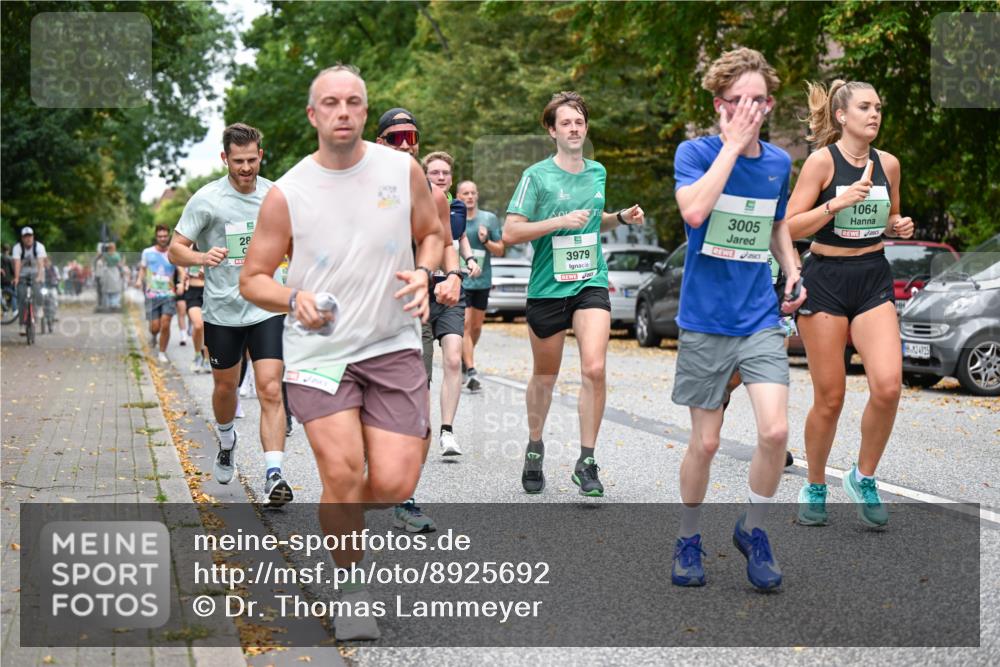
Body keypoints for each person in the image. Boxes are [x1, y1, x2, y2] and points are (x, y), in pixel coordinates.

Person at [239, 64, 443, 641]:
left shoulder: (401, 170)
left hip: (391, 342)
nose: (344, 111)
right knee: (343, 471)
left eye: (354, 101)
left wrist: (424, 272)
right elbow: (252, 278)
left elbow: (431, 233)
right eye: (331, 103)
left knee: (397, 484)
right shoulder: (288, 193)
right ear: (313, 114)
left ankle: (340, 508)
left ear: (365, 110)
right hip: (319, 351)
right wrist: (293, 298)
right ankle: (351, 590)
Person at [669, 48, 806, 591]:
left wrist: (791, 269)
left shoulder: (778, 162)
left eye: (759, 101)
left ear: (769, 105)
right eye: (737, 101)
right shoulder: (695, 153)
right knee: (705, 444)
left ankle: (754, 528)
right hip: (705, 320)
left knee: (775, 431)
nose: (749, 110)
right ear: (719, 104)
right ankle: (688, 538)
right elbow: (694, 211)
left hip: (758, 317)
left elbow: (776, 223)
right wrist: (730, 147)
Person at [784, 80, 914, 528]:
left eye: (878, 107)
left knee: (888, 386)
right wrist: (836, 204)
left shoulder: (889, 164)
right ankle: (815, 485)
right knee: (831, 398)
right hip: (826, 280)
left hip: (873, 276)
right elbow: (789, 227)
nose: (874, 114)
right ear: (842, 116)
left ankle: (864, 476)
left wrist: (898, 226)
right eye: (864, 107)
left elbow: (890, 217)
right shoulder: (822, 162)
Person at [502, 91, 645, 497]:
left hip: (589, 282)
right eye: (565, 123)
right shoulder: (536, 176)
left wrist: (620, 217)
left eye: (579, 122)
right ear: (552, 131)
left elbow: (593, 221)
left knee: (594, 369)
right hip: (548, 288)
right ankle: (535, 445)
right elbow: (511, 232)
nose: (574, 128)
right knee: (544, 376)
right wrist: (558, 221)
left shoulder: (597, 172)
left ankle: (586, 461)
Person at [169, 123, 293, 507]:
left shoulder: (275, 196)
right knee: (226, 389)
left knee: (270, 387)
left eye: (252, 160)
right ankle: (226, 440)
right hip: (222, 310)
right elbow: (175, 249)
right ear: (225, 158)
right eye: (238, 161)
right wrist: (201, 256)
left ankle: (274, 474)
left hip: (266, 306)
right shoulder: (207, 200)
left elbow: (294, 241)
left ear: (261, 155)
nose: (246, 168)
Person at [374, 111, 476, 533]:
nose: (404, 143)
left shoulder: (432, 195)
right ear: (380, 142)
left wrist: (452, 275)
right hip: (369, 310)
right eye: (395, 136)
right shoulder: (359, 187)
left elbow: (446, 243)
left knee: (415, 401)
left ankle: (406, 498)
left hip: (413, 308)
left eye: (410, 136)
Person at [421, 150, 482, 455]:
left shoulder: (456, 207)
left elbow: (459, 239)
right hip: (420, 292)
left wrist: (468, 260)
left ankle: (447, 431)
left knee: (454, 359)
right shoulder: (415, 206)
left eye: (445, 172)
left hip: (451, 291)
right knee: (421, 370)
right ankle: (419, 428)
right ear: (424, 176)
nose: (441, 177)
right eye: (435, 172)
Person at [457, 179, 505, 392]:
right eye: (465, 193)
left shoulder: (489, 219)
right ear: (459, 196)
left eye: (473, 193)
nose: (469, 196)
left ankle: (465, 359)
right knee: (465, 326)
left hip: (482, 281)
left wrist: (486, 241)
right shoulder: (454, 217)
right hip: (461, 280)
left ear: (477, 196)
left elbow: (500, 250)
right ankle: (471, 370)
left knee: (476, 328)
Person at [136, 225, 177, 363]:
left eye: (165, 236)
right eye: (160, 236)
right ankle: (154, 336)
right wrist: (139, 280)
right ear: (156, 237)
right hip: (152, 295)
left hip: (169, 294)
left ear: (168, 236)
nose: (163, 239)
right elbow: (143, 269)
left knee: (166, 323)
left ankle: (162, 352)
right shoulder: (147, 252)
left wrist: (183, 282)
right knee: (155, 327)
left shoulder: (173, 252)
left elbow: (181, 269)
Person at [12, 227, 48, 335]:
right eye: (25, 236)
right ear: (22, 238)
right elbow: (17, 263)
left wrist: (39, 276)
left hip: (36, 273)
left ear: (33, 237)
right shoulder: (17, 248)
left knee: (38, 292)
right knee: (21, 298)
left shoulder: (39, 247)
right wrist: (16, 278)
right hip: (22, 275)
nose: (28, 239)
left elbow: (41, 263)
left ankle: (40, 307)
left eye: (30, 236)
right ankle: (22, 325)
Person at [178, 254, 209, 373]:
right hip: (192, 292)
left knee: (209, 326)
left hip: (210, 291)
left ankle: (207, 360)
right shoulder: (189, 246)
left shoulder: (213, 244)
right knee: (198, 324)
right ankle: (197, 355)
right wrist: (182, 280)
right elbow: (179, 260)